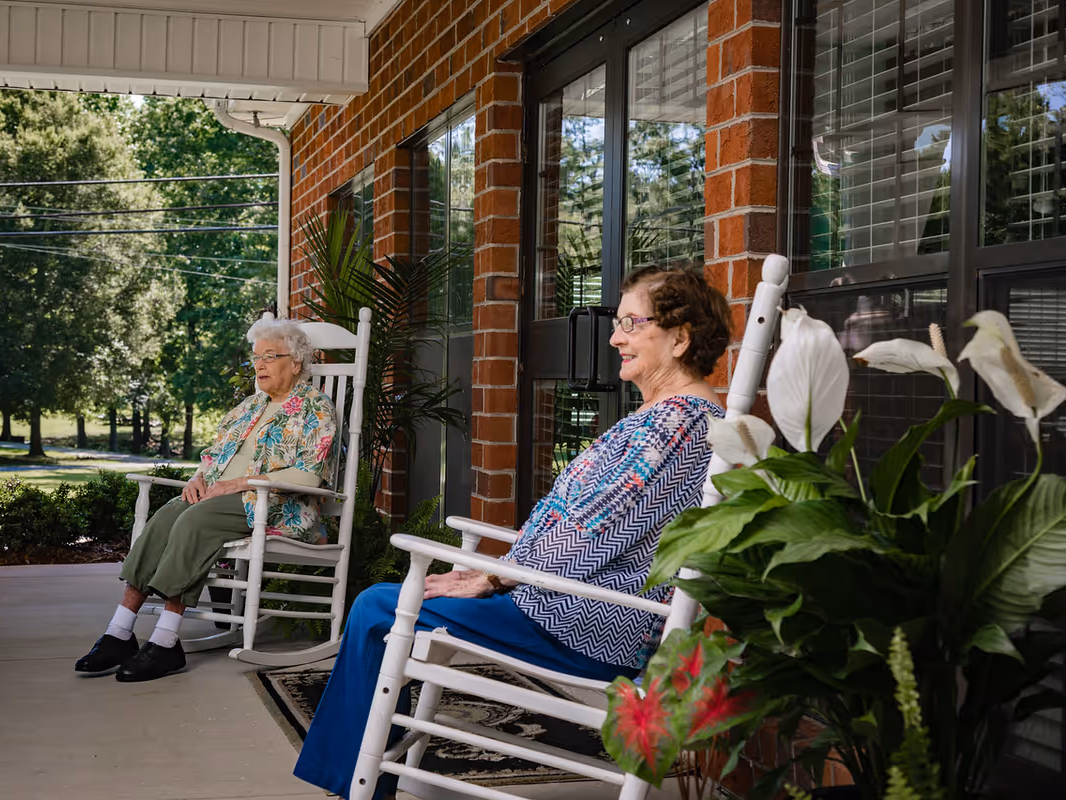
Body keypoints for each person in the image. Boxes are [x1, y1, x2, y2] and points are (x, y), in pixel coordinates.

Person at [293, 265, 733, 798]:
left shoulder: (674, 424)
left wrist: (497, 578)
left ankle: (355, 784)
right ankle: (361, 774)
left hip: (584, 621)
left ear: (680, 338)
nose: (615, 337)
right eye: (618, 323)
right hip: (572, 605)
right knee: (389, 603)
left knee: (377, 607)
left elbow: (593, 534)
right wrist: (496, 569)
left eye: (631, 324)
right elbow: (588, 520)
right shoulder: (674, 418)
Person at [75, 314, 338, 683]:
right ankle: (120, 632)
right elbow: (214, 456)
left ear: (295, 363)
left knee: (194, 522)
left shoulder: (315, 407)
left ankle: (166, 641)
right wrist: (197, 479)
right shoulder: (250, 406)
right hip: (219, 497)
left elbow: (309, 474)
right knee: (166, 517)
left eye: (269, 356)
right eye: (255, 358)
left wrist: (240, 483)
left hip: (274, 507)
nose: (259, 365)